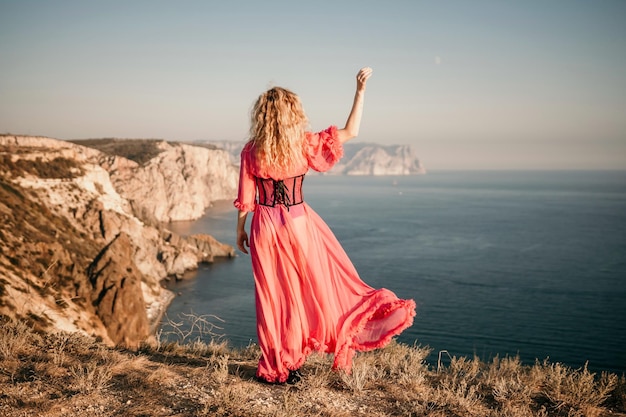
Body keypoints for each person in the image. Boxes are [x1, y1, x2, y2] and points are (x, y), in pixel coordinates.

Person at [234, 67, 416, 384]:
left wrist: (239, 230)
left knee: (272, 297)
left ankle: (278, 365)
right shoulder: (304, 144)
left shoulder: (251, 150)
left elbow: (245, 199)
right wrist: (360, 91)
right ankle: (302, 353)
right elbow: (351, 131)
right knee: (314, 291)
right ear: (293, 114)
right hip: (299, 224)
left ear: (262, 115)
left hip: (264, 226)